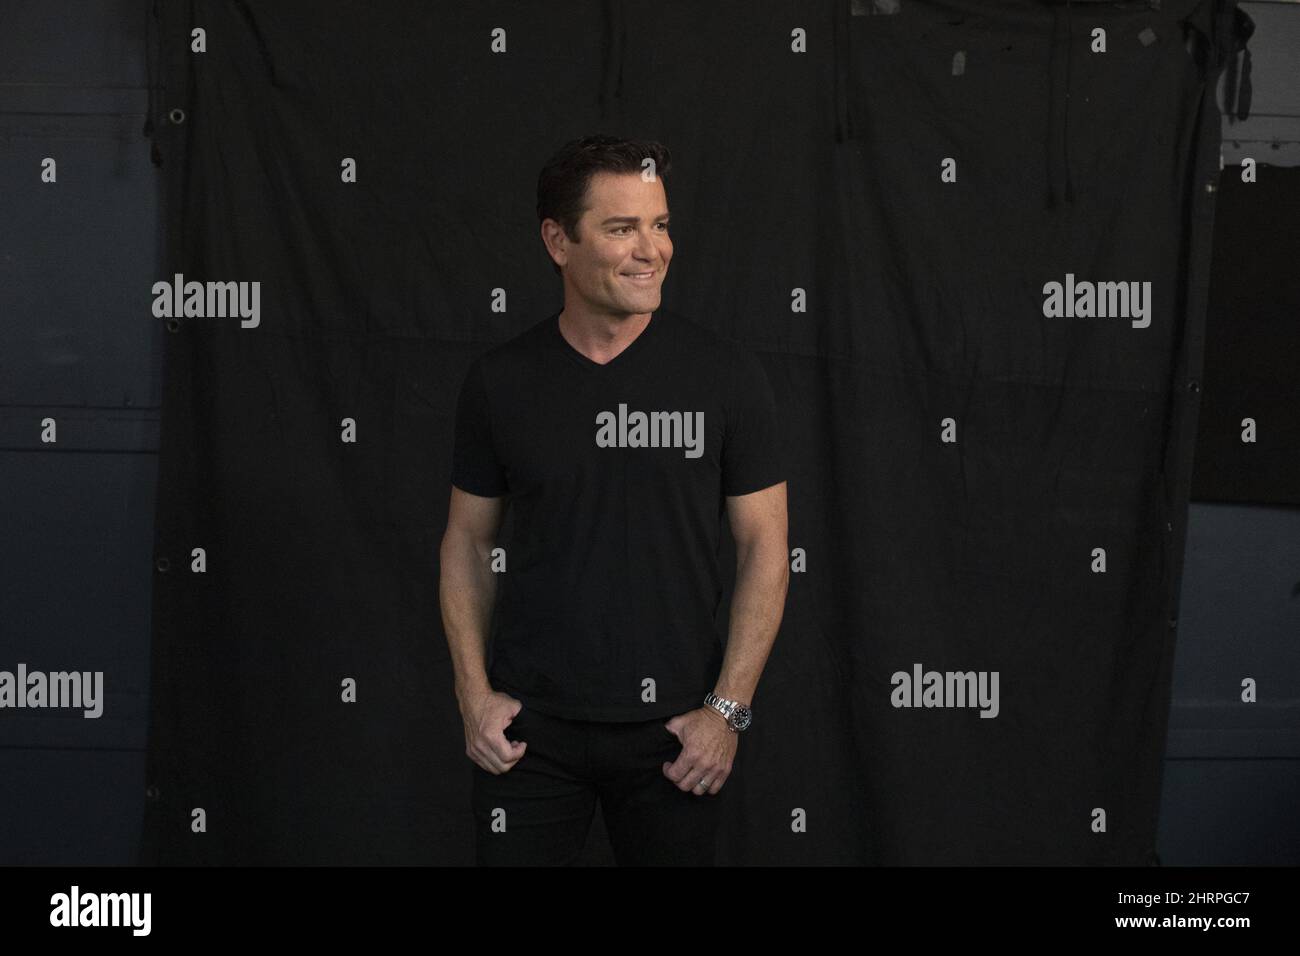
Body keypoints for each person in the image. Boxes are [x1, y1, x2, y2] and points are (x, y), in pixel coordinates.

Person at [440, 134, 788, 865]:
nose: (650, 249)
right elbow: (467, 542)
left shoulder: (726, 378)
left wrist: (726, 713)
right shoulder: (500, 382)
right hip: (528, 737)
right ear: (557, 240)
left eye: (660, 225)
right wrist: (474, 697)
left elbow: (765, 548)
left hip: (676, 739)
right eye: (622, 227)